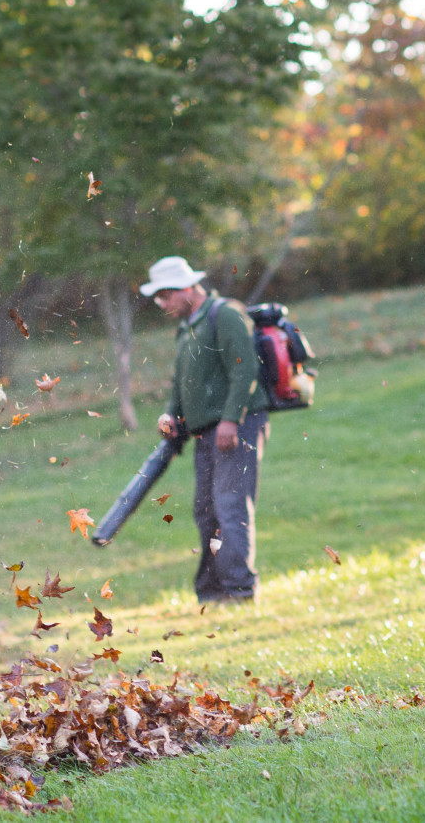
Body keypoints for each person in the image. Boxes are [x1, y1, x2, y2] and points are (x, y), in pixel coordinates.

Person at [139, 256, 267, 604]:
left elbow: (245, 370)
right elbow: (181, 382)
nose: (162, 304)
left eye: (165, 295)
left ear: (185, 288)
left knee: (230, 507)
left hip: (236, 426)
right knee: (207, 510)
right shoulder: (188, 327)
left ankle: (240, 591)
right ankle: (212, 592)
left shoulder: (224, 315)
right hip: (206, 431)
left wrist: (231, 420)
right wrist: (170, 414)